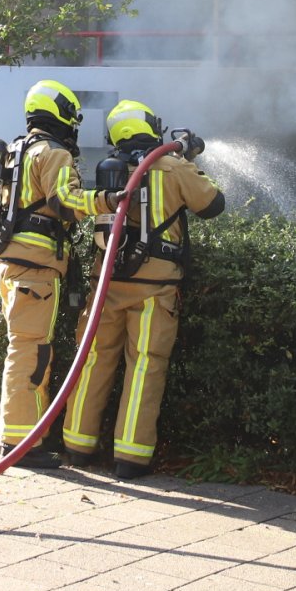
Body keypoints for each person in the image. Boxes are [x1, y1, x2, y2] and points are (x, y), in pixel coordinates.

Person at [62, 99, 224, 481]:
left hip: (107, 285)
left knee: (93, 361)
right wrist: (188, 158)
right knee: (145, 366)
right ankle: (130, 459)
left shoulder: (110, 171)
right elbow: (213, 204)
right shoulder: (170, 165)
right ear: (152, 128)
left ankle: (77, 446)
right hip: (155, 287)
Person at [0, 79, 117, 467]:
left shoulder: (17, 151)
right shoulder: (53, 153)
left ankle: (25, 437)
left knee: (28, 347)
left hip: (14, 264)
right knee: (31, 351)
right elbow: (64, 201)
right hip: (35, 269)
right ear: (63, 114)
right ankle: (19, 445)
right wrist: (107, 200)